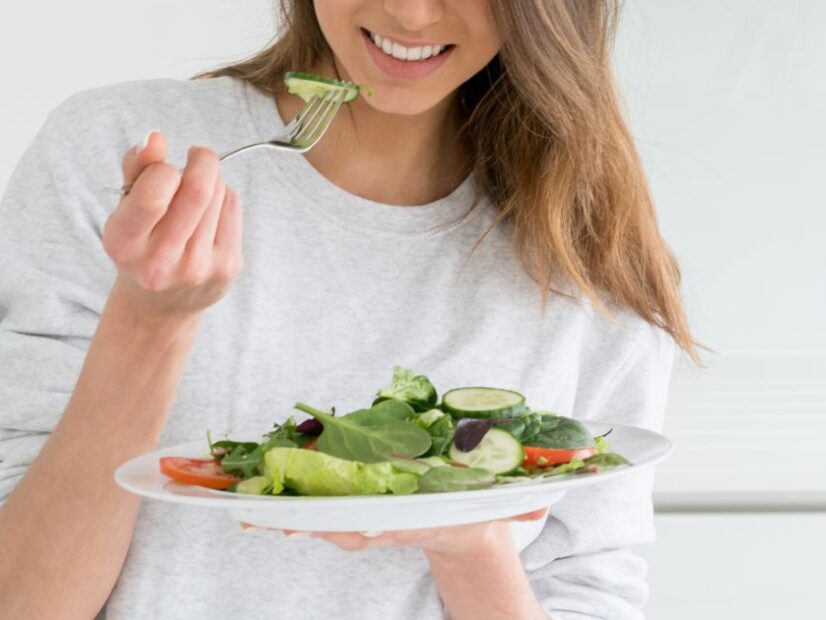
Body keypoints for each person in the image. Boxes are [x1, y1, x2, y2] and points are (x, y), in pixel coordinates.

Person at [0, 1, 696, 618]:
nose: (413, 15)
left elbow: (587, 594)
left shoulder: (584, 254)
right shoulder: (115, 151)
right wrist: (151, 321)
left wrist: (470, 542)